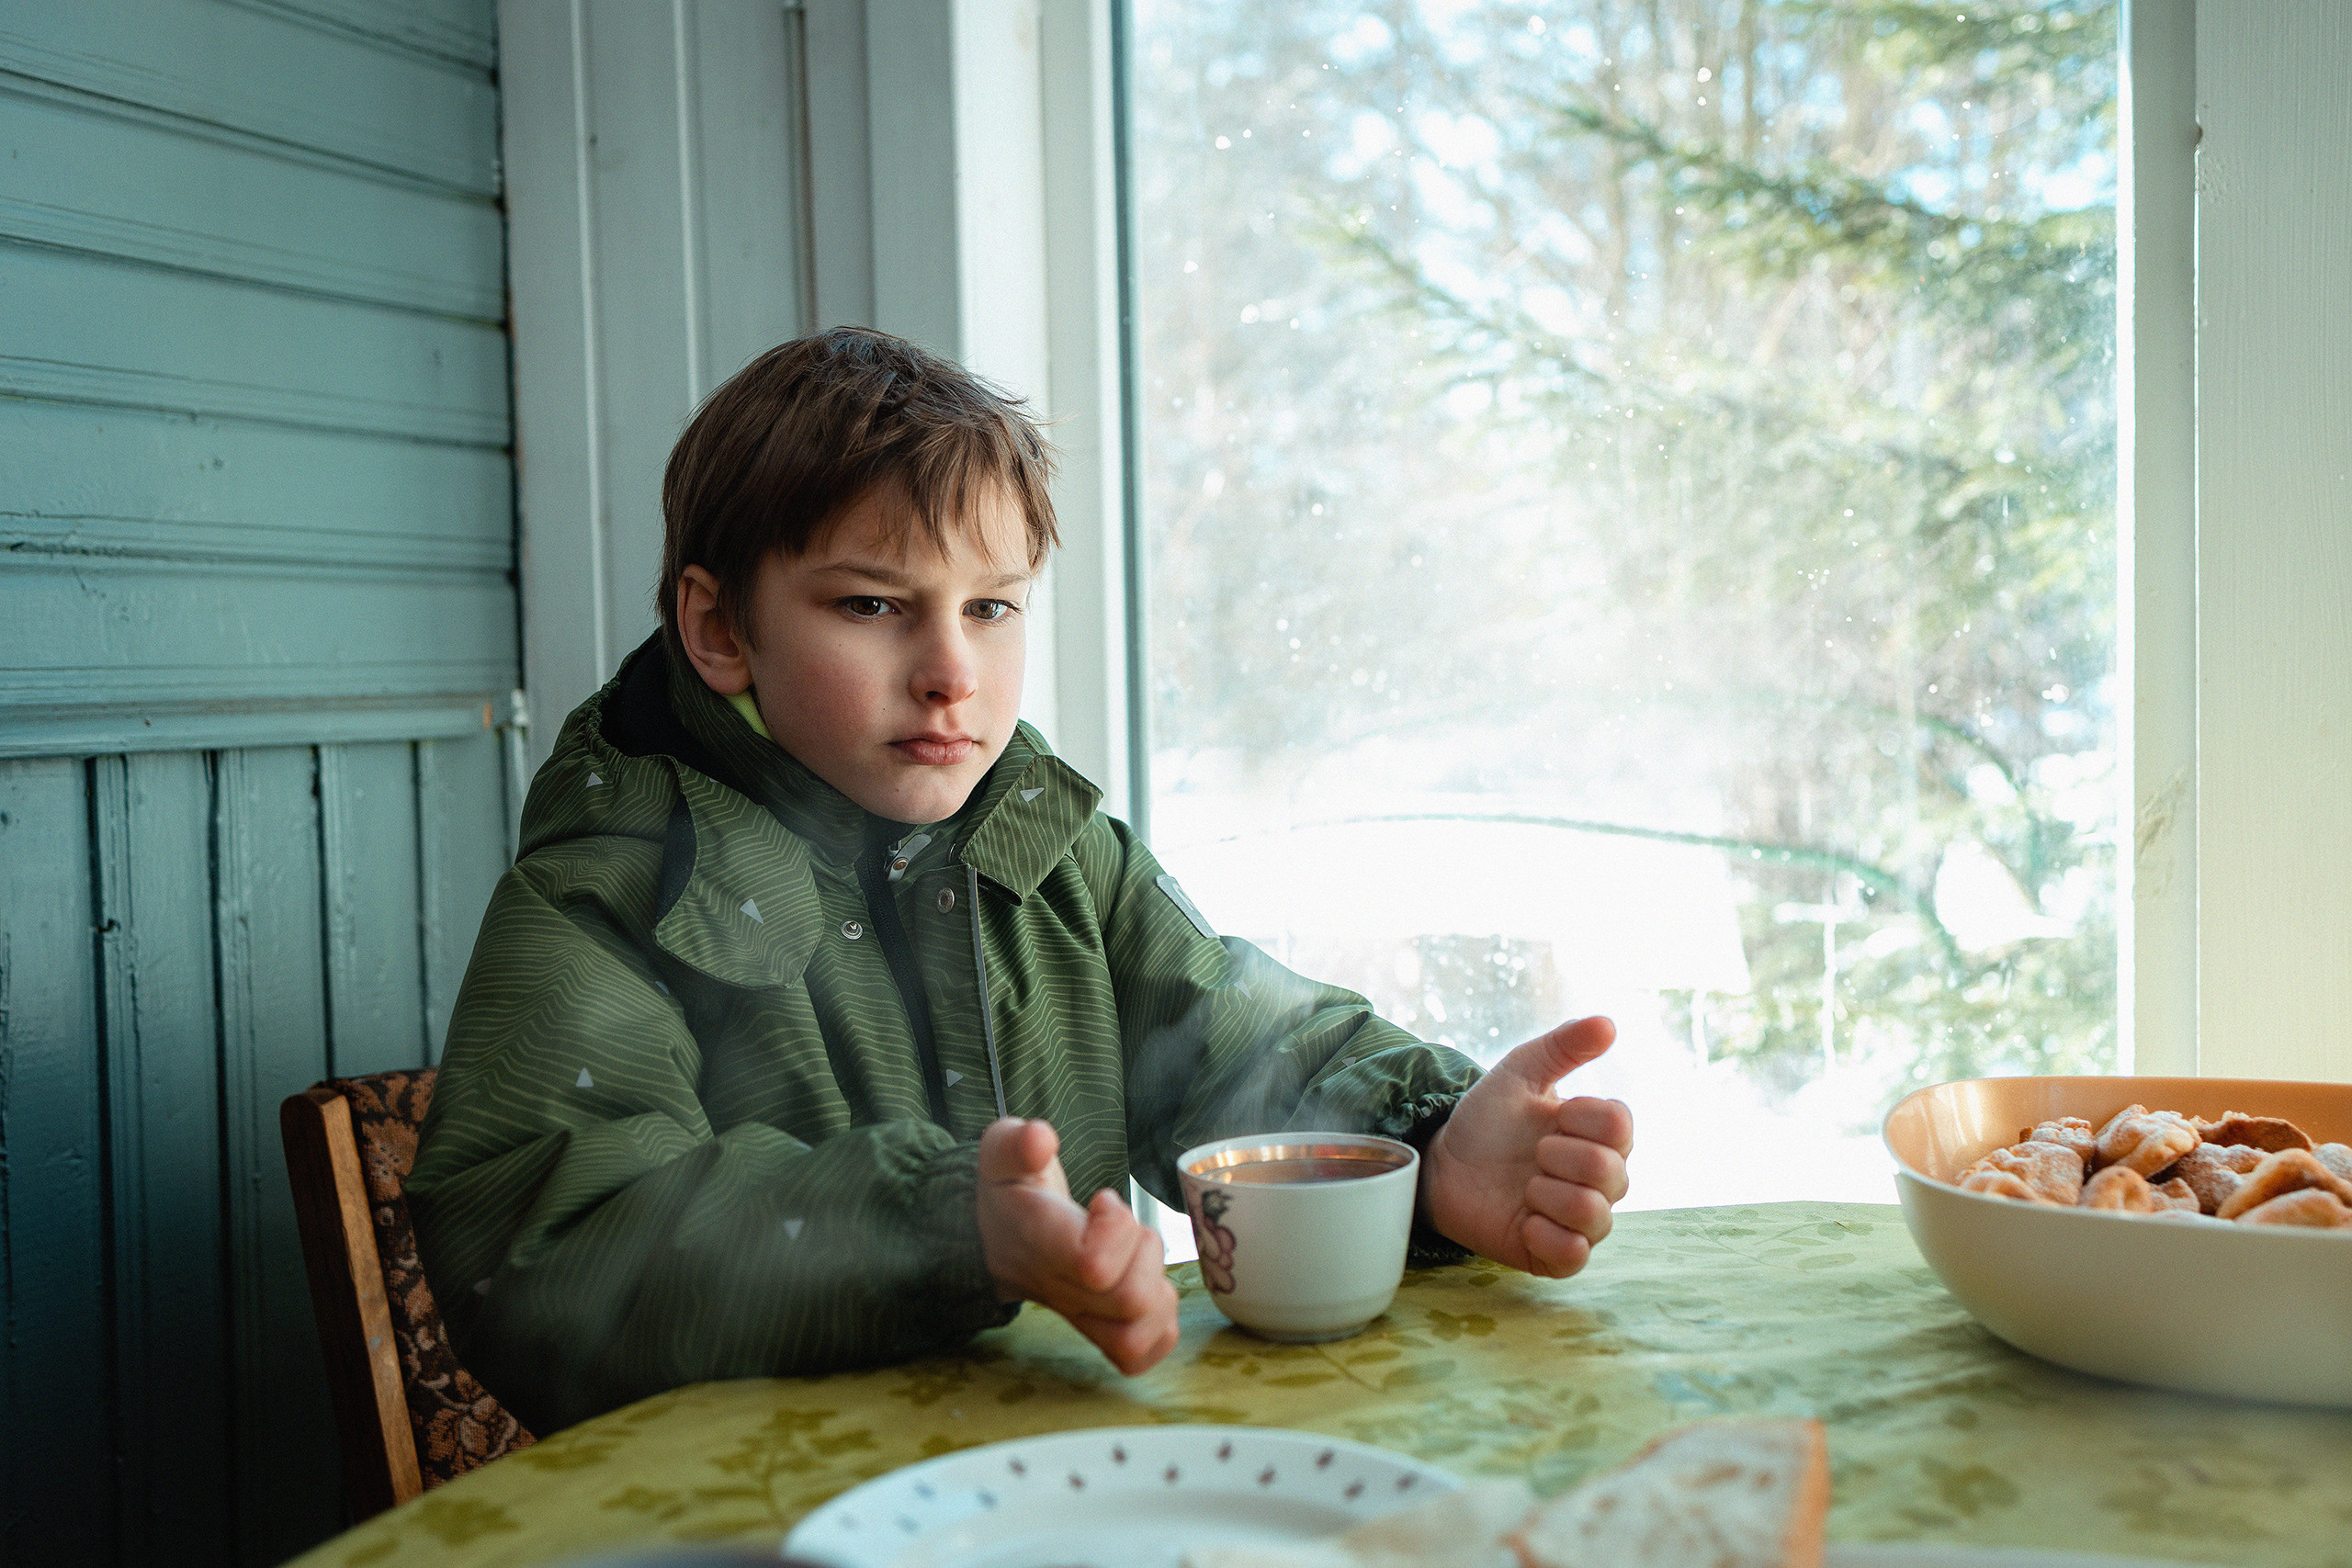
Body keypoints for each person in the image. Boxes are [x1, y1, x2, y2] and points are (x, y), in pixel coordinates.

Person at [407, 328, 1634, 1436]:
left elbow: (1233, 1047)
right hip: (771, 1520)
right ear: (723, 631)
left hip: (1063, 1474)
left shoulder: (1043, 841)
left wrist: (1424, 1146)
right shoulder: (610, 890)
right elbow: (545, 1257)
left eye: (991, 607)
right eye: (874, 605)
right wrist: (949, 1229)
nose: (952, 670)